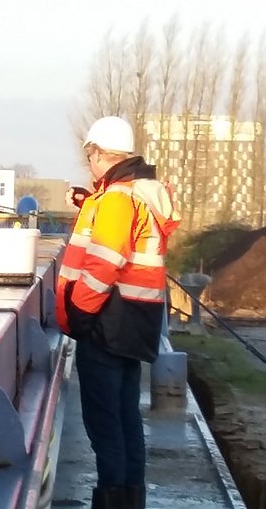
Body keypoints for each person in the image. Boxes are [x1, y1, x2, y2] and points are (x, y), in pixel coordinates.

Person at [55, 116, 181, 509]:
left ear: (96, 153)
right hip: (135, 323)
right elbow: (126, 232)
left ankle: (111, 501)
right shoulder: (138, 194)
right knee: (127, 423)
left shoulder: (116, 199)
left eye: (89, 155)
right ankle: (131, 500)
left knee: (105, 427)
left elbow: (105, 262)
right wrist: (88, 201)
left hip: (107, 323)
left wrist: (78, 313)